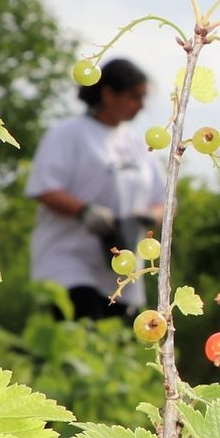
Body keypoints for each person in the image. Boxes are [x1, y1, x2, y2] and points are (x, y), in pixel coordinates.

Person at [27, 59, 165, 320]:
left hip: (121, 275)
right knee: (81, 332)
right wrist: (84, 211)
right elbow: (44, 187)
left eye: (143, 98)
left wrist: (149, 216)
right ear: (108, 94)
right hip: (70, 264)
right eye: (133, 97)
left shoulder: (137, 145)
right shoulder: (68, 134)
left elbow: (163, 201)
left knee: (114, 339)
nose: (140, 105)